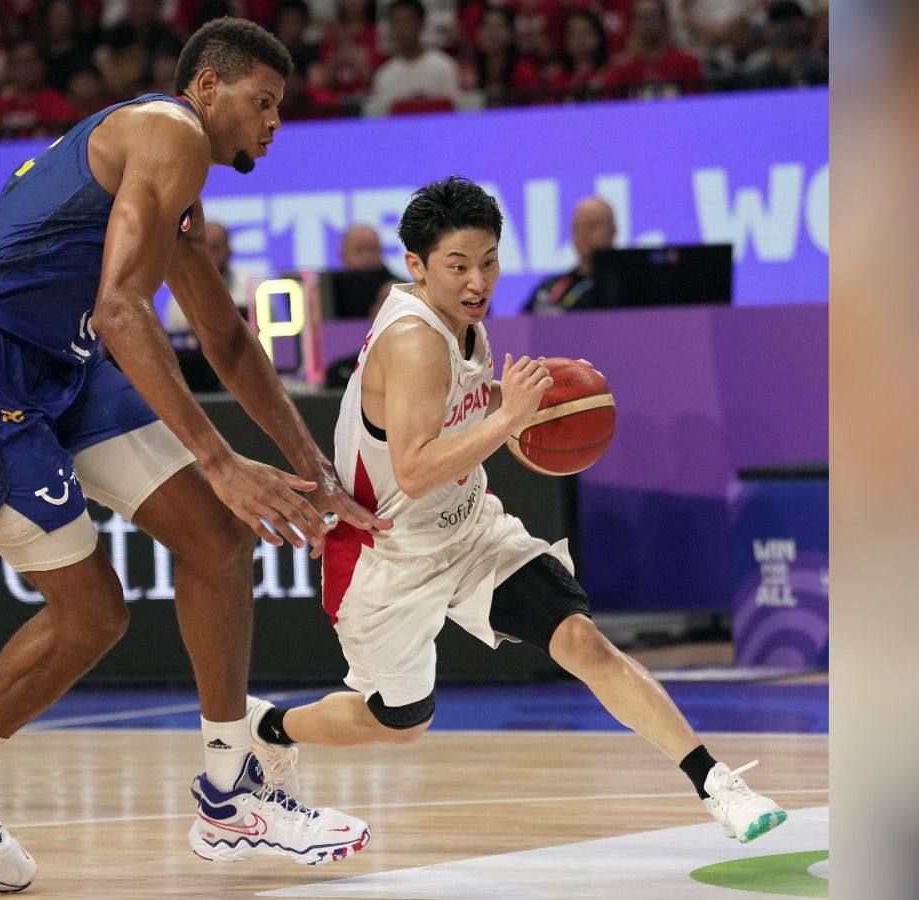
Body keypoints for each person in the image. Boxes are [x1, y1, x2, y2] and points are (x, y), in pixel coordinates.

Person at [0, 17, 388, 893]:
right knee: (95, 617)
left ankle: (229, 792)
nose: (275, 123)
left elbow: (228, 339)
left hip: (58, 366)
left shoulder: (175, 169)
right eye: (263, 103)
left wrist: (315, 467)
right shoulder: (171, 132)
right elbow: (122, 311)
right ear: (206, 88)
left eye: (282, 108)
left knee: (220, 543)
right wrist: (224, 462)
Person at [245, 176, 789, 850]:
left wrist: (532, 405)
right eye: (458, 265)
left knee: (583, 642)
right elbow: (413, 470)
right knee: (400, 721)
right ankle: (267, 730)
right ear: (416, 266)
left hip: (471, 529)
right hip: (387, 557)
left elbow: (457, 417)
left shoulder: (461, 322)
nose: (477, 280)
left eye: (489, 261)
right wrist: (508, 416)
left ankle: (715, 784)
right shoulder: (415, 341)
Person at [522, 195, 615, 314]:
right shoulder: (552, 288)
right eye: (577, 227)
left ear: (613, 230)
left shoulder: (630, 287)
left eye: (592, 225)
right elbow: (522, 326)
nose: (583, 234)